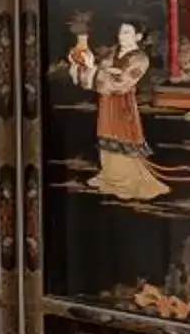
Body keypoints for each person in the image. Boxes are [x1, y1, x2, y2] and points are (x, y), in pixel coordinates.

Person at [67, 21, 170, 201]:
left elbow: (121, 83)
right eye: (121, 32)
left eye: (127, 33)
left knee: (122, 136)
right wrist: (81, 64)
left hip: (123, 103)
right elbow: (97, 72)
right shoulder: (113, 54)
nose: (122, 36)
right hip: (107, 102)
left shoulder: (140, 58)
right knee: (106, 134)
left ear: (138, 36)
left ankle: (127, 182)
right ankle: (109, 175)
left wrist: (95, 69)